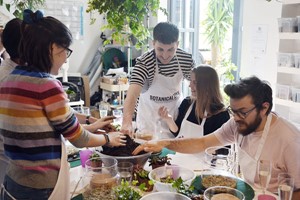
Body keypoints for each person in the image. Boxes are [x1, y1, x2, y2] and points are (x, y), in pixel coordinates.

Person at [0, 10, 126, 200]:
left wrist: (90, 121)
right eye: (65, 51)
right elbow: (78, 138)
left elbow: (48, 118)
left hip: (13, 181)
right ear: (51, 48)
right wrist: (108, 139)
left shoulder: (10, 79)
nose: (66, 58)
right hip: (41, 185)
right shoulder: (46, 85)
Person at [133, 76, 300, 200]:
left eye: (242, 112)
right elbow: (203, 142)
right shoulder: (238, 124)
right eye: (233, 111)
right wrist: (164, 143)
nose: (235, 118)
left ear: (264, 108)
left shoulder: (289, 140)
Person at [121, 22, 195, 138]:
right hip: (148, 124)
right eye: (160, 50)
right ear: (153, 43)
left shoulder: (185, 59)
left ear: (178, 44)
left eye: (171, 50)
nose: (165, 56)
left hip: (174, 122)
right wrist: (127, 122)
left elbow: (198, 84)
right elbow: (132, 94)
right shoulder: (145, 62)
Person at [158, 65, 230, 138]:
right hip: (182, 148)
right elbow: (178, 133)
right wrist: (168, 119)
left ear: (208, 85)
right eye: (190, 81)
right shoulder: (187, 103)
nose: (190, 85)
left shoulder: (221, 114)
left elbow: (223, 147)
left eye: (195, 82)